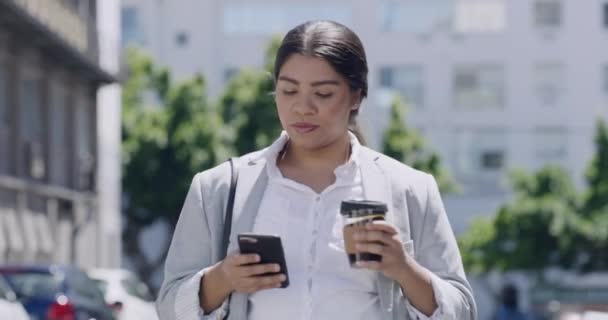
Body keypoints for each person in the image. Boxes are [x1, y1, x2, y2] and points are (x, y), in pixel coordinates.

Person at [156, 20, 477, 320]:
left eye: (323, 93)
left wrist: (404, 269)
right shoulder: (219, 187)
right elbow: (169, 307)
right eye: (289, 90)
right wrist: (223, 278)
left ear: (356, 96)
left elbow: (462, 309)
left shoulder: (410, 189)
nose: (302, 107)